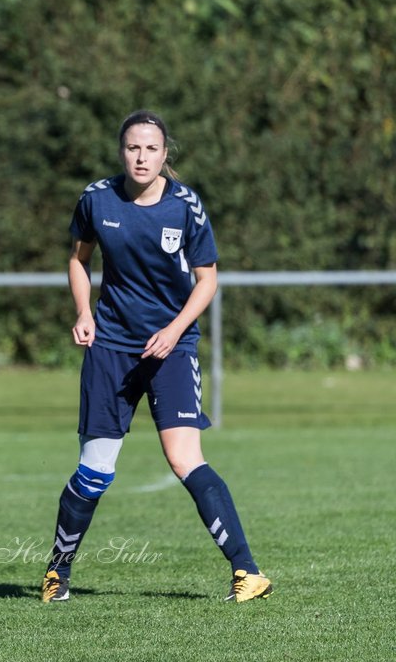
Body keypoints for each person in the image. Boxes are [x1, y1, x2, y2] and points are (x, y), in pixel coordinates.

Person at [40, 110, 273, 604]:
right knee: (95, 469)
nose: (141, 157)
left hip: (171, 347)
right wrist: (83, 311)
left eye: (151, 148)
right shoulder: (96, 199)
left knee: (185, 458)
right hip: (110, 348)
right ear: (121, 152)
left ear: (166, 155)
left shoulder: (186, 206)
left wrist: (174, 330)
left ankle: (248, 573)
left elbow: (207, 279)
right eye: (132, 148)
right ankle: (57, 573)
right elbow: (78, 259)